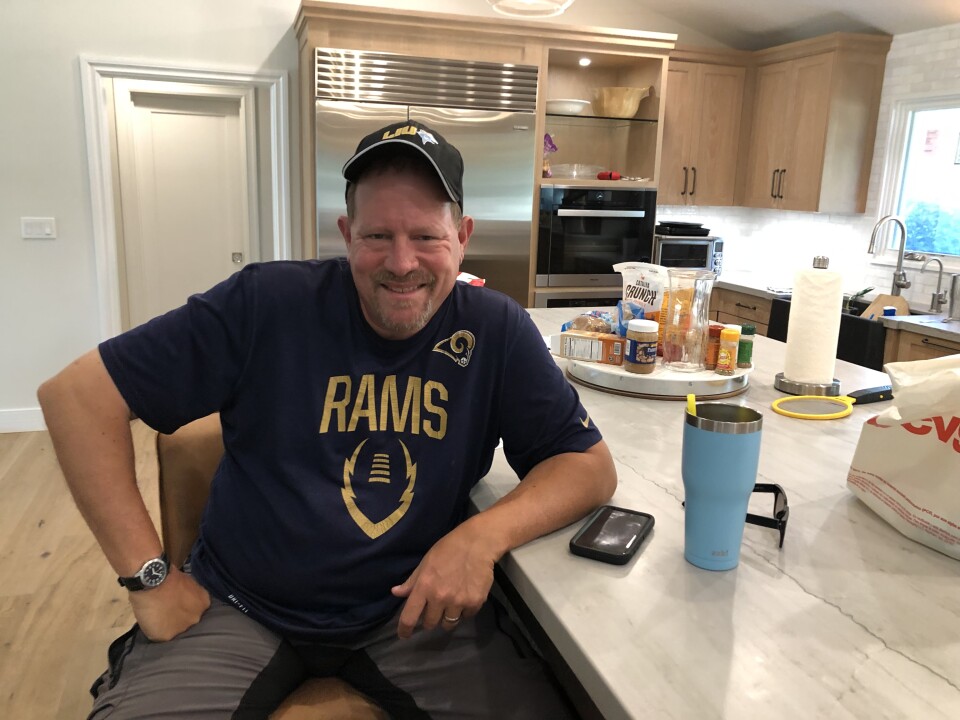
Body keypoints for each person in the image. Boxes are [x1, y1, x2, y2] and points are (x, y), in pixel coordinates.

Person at [38, 120, 617, 718]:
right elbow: (77, 397)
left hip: (412, 612)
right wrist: (150, 578)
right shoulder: (266, 303)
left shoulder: (495, 330)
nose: (401, 262)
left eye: (426, 236)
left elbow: (587, 466)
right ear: (345, 234)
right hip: (239, 606)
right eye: (377, 235)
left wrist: (481, 536)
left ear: (463, 237)